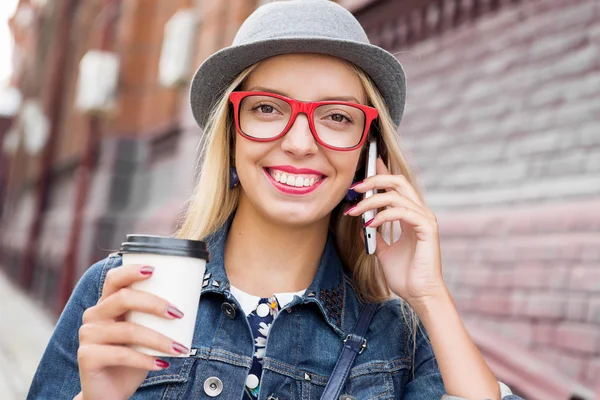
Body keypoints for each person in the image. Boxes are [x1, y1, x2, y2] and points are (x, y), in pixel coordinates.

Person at [28, 1, 524, 399]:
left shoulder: (400, 336)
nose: (301, 143)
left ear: (367, 158)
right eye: (267, 108)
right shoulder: (121, 293)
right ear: (230, 135)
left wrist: (430, 296)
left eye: (336, 117)